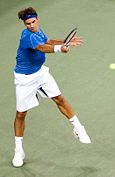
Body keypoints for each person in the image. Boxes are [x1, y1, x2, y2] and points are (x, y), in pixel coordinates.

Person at [12, 7, 91, 167]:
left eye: (33, 22)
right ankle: (18, 150)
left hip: (40, 73)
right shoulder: (27, 36)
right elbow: (42, 48)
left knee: (59, 98)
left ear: (37, 19)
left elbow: (47, 42)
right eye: (28, 23)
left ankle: (78, 127)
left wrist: (65, 41)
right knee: (21, 114)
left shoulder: (39, 31)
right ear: (25, 24)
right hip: (24, 79)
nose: (31, 25)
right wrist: (60, 49)